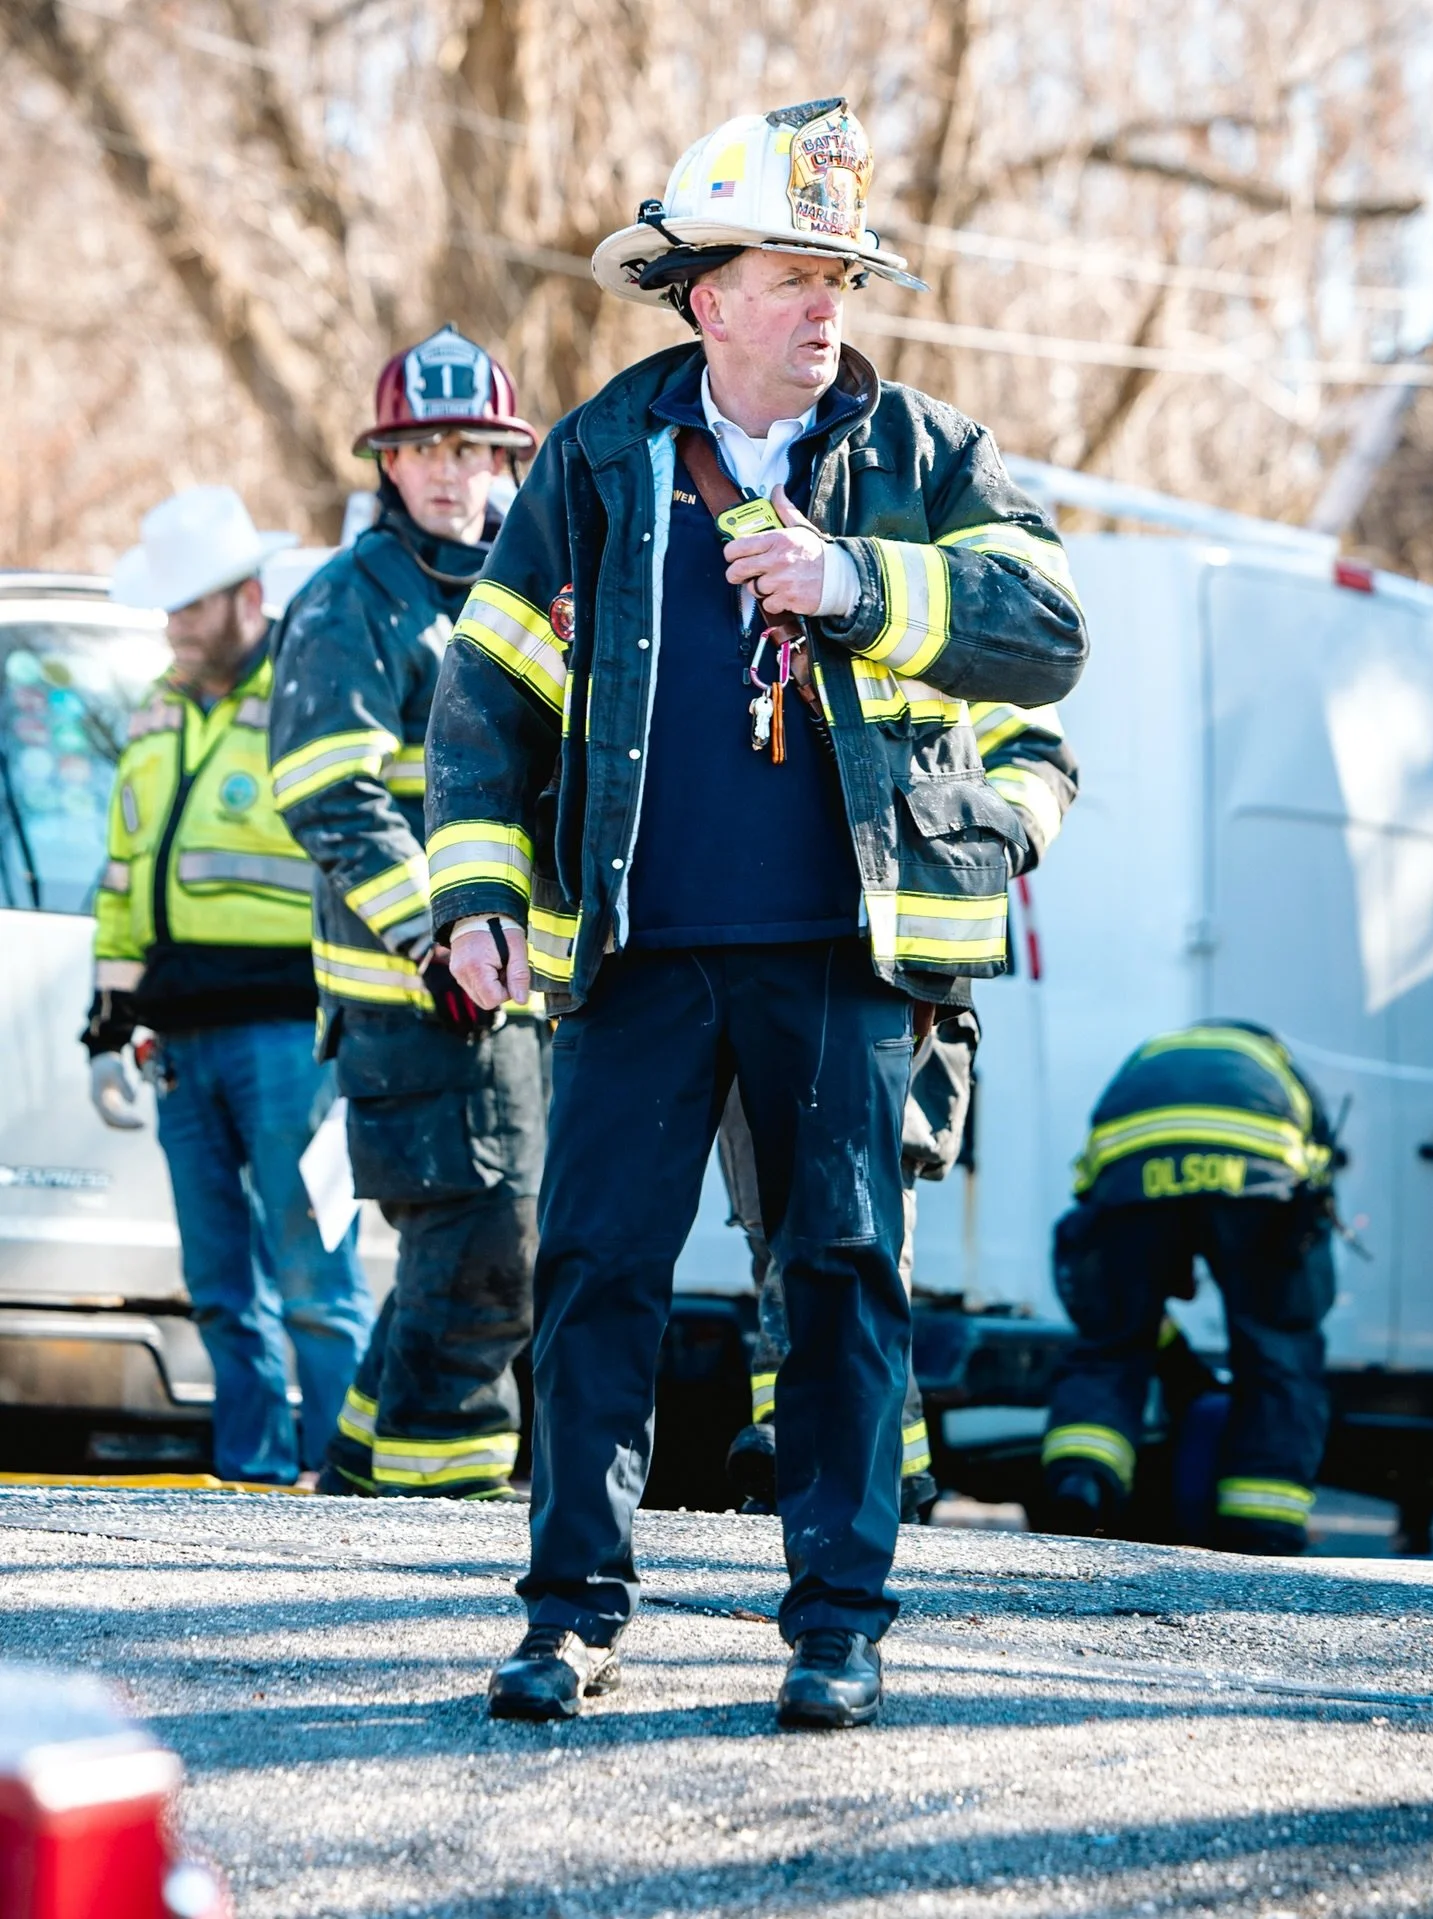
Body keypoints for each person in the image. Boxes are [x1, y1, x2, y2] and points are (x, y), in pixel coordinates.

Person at [428, 98, 1088, 1727]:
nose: (825, 304)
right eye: (794, 271)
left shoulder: (928, 455)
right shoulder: (594, 454)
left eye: (840, 275)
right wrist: (474, 893)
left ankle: (836, 1624)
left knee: (847, 1276)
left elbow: (1051, 628)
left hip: (848, 961)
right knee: (594, 1274)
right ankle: (571, 1613)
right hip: (637, 958)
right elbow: (488, 702)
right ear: (705, 292)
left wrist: (859, 584)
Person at [268, 326, 548, 1501]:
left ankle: (350, 1482)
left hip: (517, 994)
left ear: (504, 460)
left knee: (464, 1252)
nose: (447, 469)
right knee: (490, 1254)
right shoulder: (350, 602)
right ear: (387, 462)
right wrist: (433, 940)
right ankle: (450, 1509)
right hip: (416, 999)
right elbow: (327, 791)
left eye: (471, 447)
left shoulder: (525, 588)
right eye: (423, 446)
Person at [722, 695, 1077, 1524]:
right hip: (765, 956)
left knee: (861, 1222)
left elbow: (1037, 755)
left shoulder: (935, 595)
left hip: (901, 969)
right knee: (776, 1222)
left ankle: (826, 1446)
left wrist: (977, 848)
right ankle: (873, 1460)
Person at [87, 485, 373, 1484]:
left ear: (247, 597)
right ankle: (251, 1475)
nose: (173, 626)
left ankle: (343, 1481)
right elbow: (125, 875)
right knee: (218, 1281)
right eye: (166, 608)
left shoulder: (306, 693)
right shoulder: (157, 711)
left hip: (290, 1034)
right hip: (182, 1042)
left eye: (189, 606)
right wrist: (108, 1016)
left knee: (313, 1277)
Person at [1041, 1019, 1338, 1555]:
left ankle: (1082, 1481)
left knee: (1112, 1346)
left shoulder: (1150, 1058)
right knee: (1279, 1349)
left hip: (1133, 1173)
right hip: (1257, 1179)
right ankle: (1262, 1523)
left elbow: (1090, 1189)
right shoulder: (1276, 1066)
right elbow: (1315, 1179)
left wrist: (1137, 1282)